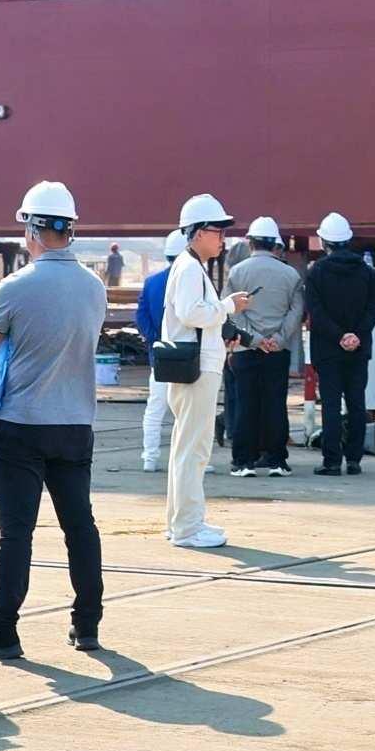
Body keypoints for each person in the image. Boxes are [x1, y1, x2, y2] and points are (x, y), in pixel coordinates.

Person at [0, 179, 107, 659]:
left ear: (31, 230)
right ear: (70, 230)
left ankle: (3, 630)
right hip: (76, 424)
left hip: (22, 425)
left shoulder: (16, 287)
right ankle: (87, 625)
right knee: (80, 526)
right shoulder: (94, 287)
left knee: (16, 532)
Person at [159, 197, 232, 549]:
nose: (223, 239)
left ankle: (182, 521)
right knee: (194, 449)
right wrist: (228, 306)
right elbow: (192, 313)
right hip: (197, 368)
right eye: (219, 231)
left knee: (186, 447)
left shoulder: (189, 266)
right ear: (199, 232)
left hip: (195, 366)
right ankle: (187, 528)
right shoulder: (190, 268)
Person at [301, 212, 375, 476]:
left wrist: (338, 336)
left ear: (323, 241)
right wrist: (356, 335)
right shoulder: (368, 273)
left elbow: (315, 311)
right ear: (348, 240)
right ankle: (355, 460)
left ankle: (332, 461)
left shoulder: (316, 273)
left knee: (331, 405)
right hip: (359, 349)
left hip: (327, 350)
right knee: (357, 403)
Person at [224, 215, 305, 476]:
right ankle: (276, 460)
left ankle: (243, 461)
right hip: (278, 350)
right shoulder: (290, 274)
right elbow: (296, 311)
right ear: (275, 245)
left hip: (246, 349)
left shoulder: (237, 272)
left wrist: (255, 339)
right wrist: (278, 339)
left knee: (245, 403)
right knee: (275, 403)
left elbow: (230, 310)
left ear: (250, 243)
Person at [135, 228, 184, 472]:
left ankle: (150, 458)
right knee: (186, 412)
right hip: (187, 355)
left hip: (160, 356)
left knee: (155, 410)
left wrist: (155, 341)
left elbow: (141, 317)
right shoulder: (192, 282)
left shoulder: (151, 282)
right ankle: (188, 460)